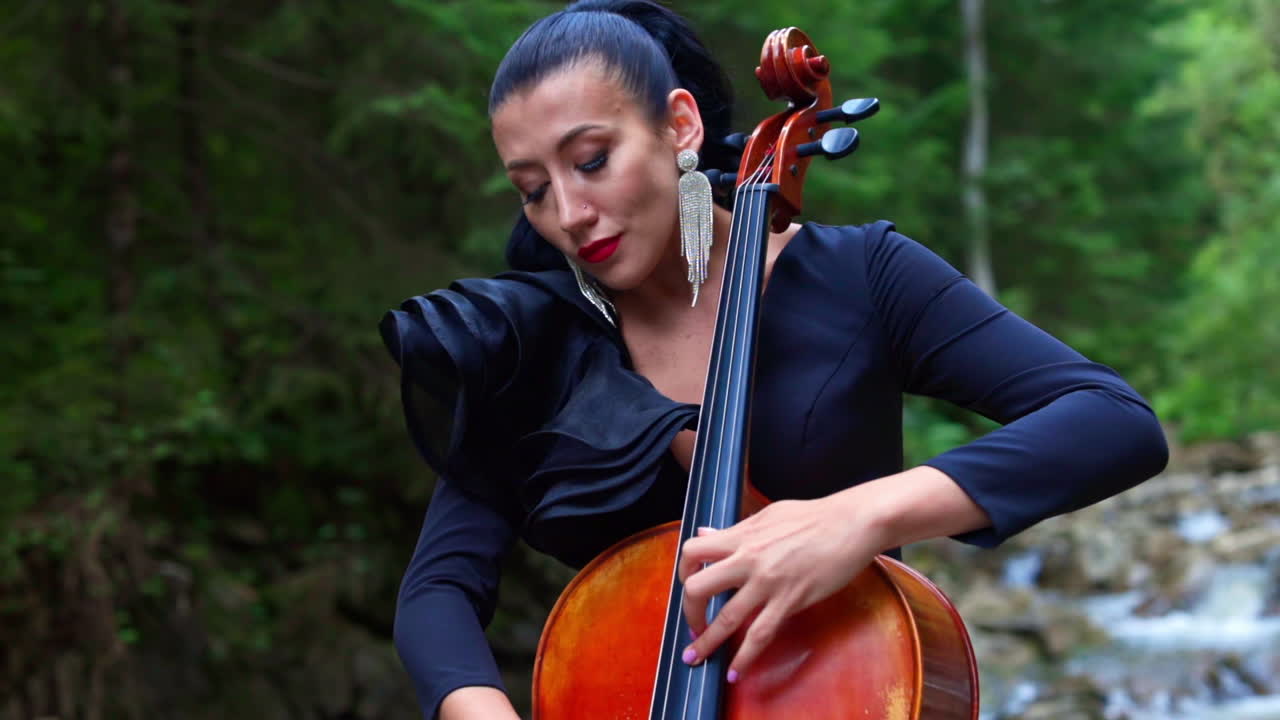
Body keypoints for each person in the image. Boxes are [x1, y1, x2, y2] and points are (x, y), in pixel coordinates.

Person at [378, 1, 1169, 718]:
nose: (570, 214)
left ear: (679, 127)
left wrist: (862, 515)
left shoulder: (865, 276)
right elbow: (438, 591)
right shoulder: (534, 340)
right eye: (533, 189)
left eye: (591, 160)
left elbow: (1112, 422)